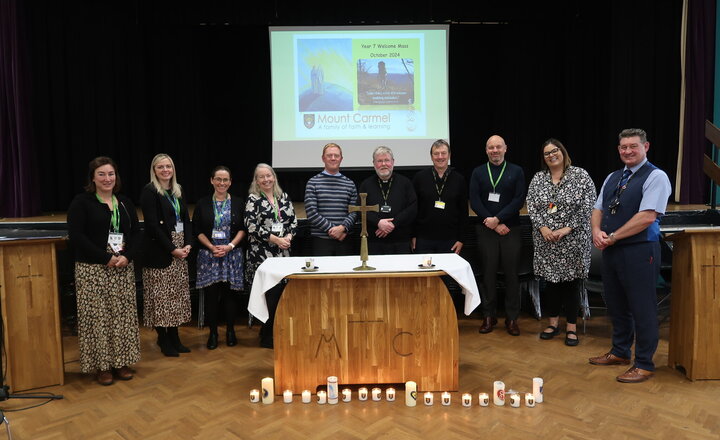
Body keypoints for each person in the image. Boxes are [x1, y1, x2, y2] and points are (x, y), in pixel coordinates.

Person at [589, 128, 671, 383]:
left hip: (639, 250)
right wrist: (596, 231)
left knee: (642, 307)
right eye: (624, 147)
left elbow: (647, 216)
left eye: (633, 146)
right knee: (616, 304)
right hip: (612, 251)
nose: (628, 151)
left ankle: (644, 363)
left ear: (645, 147)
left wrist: (612, 236)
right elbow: (598, 207)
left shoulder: (656, 176)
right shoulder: (614, 176)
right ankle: (620, 352)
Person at [67, 157, 142, 386]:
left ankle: (121, 362)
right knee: (98, 318)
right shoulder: (82, 202)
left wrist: (127, 257)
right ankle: (102, 366)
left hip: (121, 267)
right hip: (93, 269)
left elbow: (137, 234)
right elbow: (77, 237)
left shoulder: (125, 202)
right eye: (101, 174)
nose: (107, 178)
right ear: (93, 177)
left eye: (111, 174)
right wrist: (106, 257)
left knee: (122, 316)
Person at [527, 139, 596, 346]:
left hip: (573, 240)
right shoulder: (538, 178)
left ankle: (572, 327)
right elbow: (531, 205)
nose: (551, 155)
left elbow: (589, 204)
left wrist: (567, 228)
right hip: (546, 241)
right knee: (551, 284)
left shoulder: (580, 175)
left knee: (572, 284)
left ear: (563, 152)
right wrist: (543, 228)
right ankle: (553, 323)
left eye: (554, 151)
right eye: (547, 153)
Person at [469, 135, 526, 336]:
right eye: (491, 147)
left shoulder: (516, 171)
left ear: (505, 149)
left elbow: (519, 199)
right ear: (486, 150)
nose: (495, 150)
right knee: (488, 274)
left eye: (498, 147)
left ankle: (512, 318)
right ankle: (488, 315)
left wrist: (499, 219)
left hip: (510, 229)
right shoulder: (478, 172)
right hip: (486, 230)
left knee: (511, 275)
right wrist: (492, 223)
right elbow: (474, 200)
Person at [139, 153, 193, 357]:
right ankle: (163, 339)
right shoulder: (150, 191)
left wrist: (188, 243)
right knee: (161, 298)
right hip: (162, 251)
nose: (165, 170)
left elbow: (186, 220)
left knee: (176, 297)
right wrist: (172, 249)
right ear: (154, 170)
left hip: (180, 250)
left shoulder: (177, 190)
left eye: (168, 166)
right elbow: (152, 226)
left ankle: (175, 336)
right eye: (160, 167)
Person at [193, 166, 246, 350]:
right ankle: (213, 333)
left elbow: (242, 229)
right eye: (218, 179)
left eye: (225, 180)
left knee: (230, 295)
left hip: (232, 255)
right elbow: (197, 230)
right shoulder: (202, 203)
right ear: (212, 181)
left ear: (230, 182)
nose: (222, 183)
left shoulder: (239, 203)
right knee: (211, 296)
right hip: (209, 255)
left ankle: (231, 331)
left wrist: (230, 246)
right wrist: (211, 246)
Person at [245, 163, 297, 348]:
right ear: (257, 181)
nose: (266, 179)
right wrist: (276, 239)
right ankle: (267, 335)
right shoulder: (253, 199)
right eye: (262, 177)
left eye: (269, 175)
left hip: (283, 254)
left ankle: (273, 331)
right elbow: (251, 227)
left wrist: (289, 236)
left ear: (273, 177)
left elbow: (293, 221)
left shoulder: (282, 197)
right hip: (262, 254)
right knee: (269, 295)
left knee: (281, 295)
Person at [412, 139, 468, 255]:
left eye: (443, 153)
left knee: (447, 273)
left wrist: (461, 239)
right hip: (424, 239)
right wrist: (413, 235)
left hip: (450, 240)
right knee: (425, 273)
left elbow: (463, 212)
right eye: (436, 154)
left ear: (449, 155)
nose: (440, 157)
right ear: (431, 157)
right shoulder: (420, 178)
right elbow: (413, 210)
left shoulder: (459, 179)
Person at [359, 146, 417, 254]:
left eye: (386, 160)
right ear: (374, 163)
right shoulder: (366, 185)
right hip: (375, 242)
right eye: (379, 161)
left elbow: (412, 208)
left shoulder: (405, 183)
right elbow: (360, 209)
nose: (383, 164)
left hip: (401, 241)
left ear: (393, 162)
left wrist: (393, 224)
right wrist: (378, 222)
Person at [304, 143, 358, 256]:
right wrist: (334, 230)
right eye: (329, 155)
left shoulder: (350, 183)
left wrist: (343, 228)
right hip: (321, 241)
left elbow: (354, 212)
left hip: (345, 240)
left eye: (336, 155)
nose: (333, 158)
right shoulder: (313, 182)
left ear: (341, 159)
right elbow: (311, 213)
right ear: (323, 158)